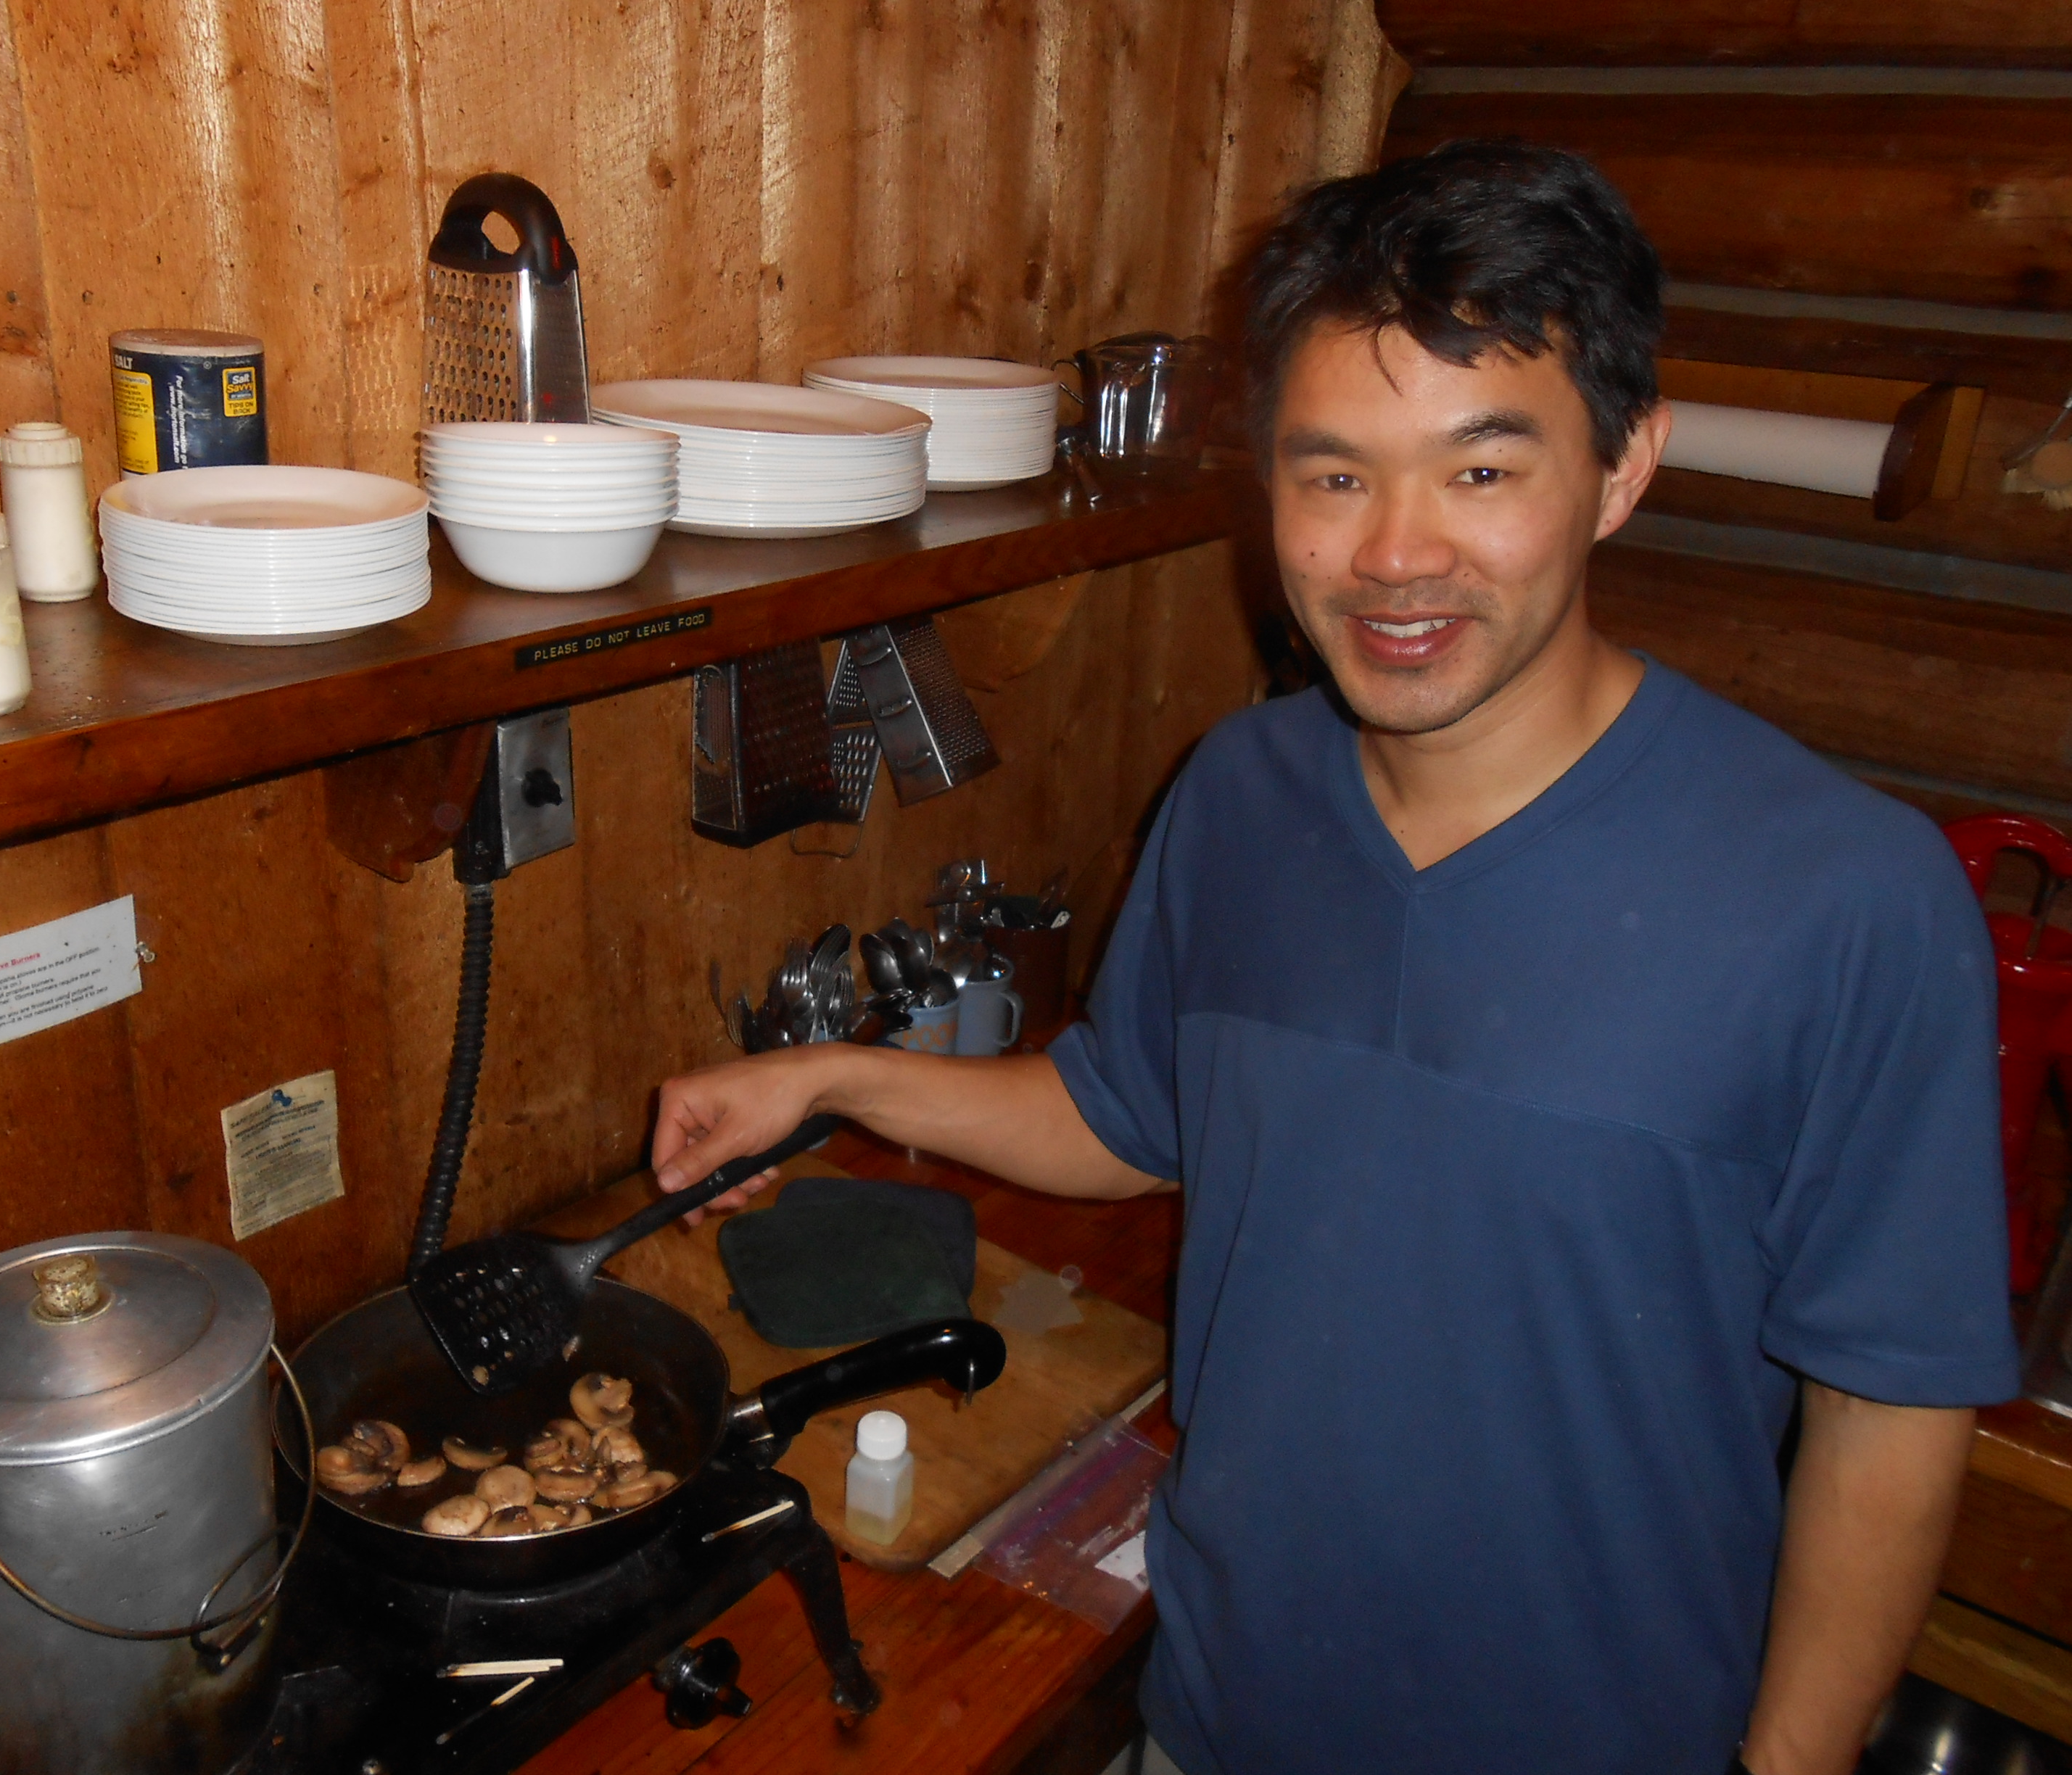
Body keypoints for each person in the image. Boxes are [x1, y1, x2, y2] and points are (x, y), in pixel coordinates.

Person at [651, 140, 2021, 1775]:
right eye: (1334, 475)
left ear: (1623, 466)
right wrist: (831, 1080)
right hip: (1220, 1716)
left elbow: (1889, 1410)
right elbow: (1125, 1116)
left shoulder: (1847, 898)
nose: (1394, 556)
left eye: (1481, 472)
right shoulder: (1240, 793)